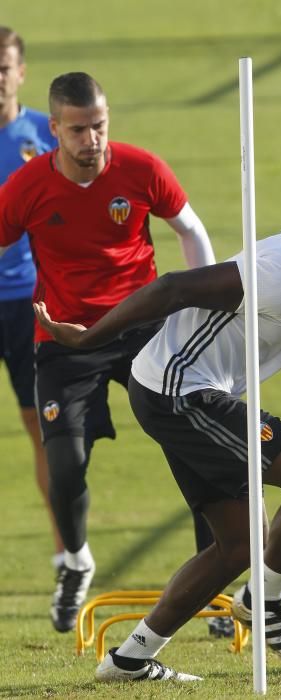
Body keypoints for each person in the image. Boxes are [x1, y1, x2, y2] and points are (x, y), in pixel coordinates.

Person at [34, 179, 281, 683]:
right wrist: (90, 337)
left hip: (193, 391)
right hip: (175, 388)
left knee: (241, 547)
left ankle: (130, 660)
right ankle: (265, 604)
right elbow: (174, 287)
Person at [0, 71, 220, 635]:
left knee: (197, 450)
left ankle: (219, 580)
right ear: (54, 130)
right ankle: (75, 561)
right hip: (66, 337)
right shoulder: (26, 187)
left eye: (98, 126)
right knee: (65, 466)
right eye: (77, 130)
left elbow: (189, 230)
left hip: (144, 326)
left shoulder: (142, 169)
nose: (91, 140)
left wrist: (199, 308)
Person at [0, 27, 64, 569]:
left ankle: (67, 555)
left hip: (27, 304)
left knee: (38, 426)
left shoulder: (48, 134)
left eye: (3, 68)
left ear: (20, 73)